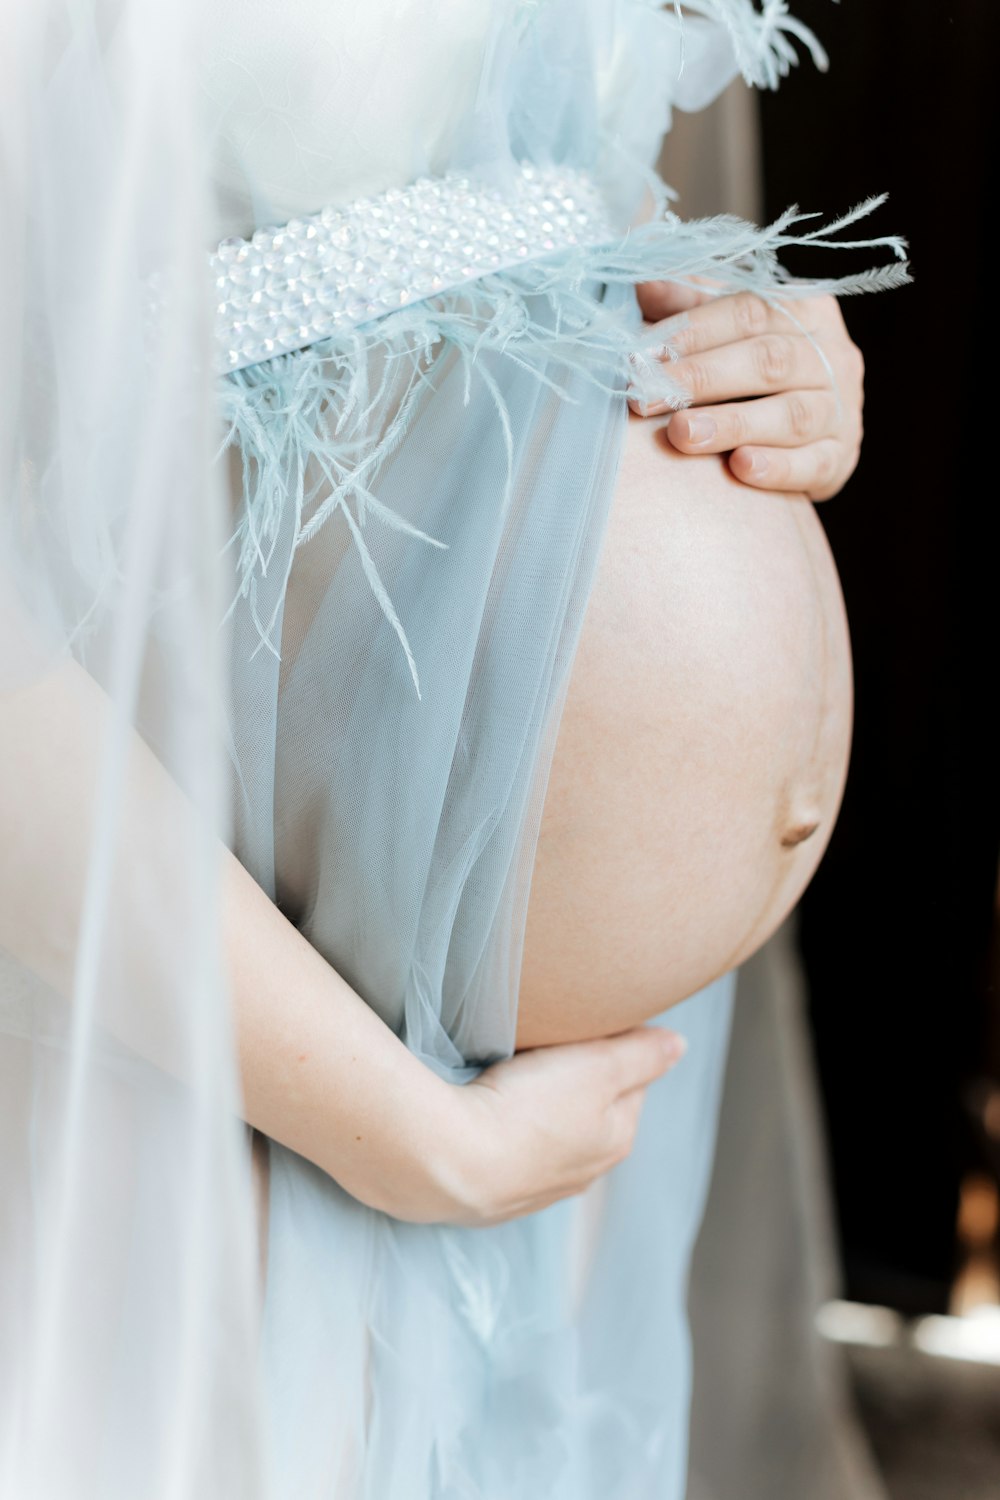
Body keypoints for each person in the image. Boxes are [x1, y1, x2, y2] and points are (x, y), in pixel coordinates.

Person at [0, 2, 907, 1497]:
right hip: (239, 1012)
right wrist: (404, 1134)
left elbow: (563, 223)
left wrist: (784, 356)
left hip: (547, 1077)